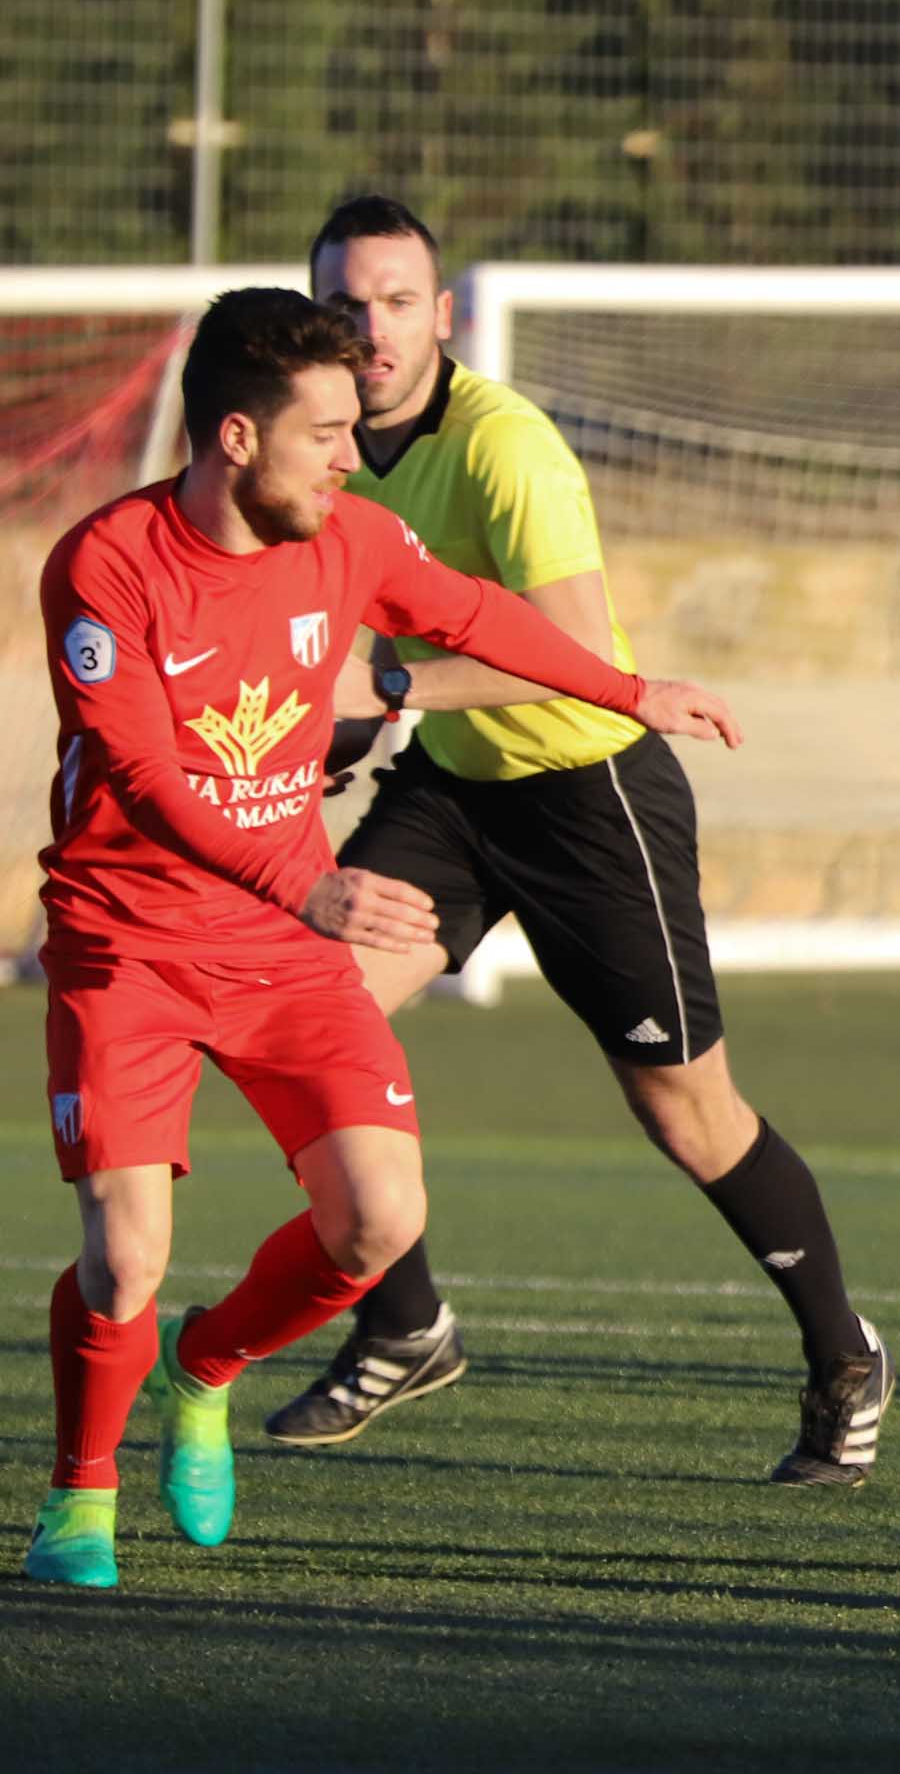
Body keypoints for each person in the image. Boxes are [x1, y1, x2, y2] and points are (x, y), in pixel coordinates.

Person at [25, 289, 741, 1587]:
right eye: (326, 434)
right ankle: (80, 1488)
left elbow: (480, 617)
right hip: (127, 942)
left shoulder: (347, 537)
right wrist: (308, 886)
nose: (353, 457)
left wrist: (639, 691)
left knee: (375, 1223)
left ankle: (209, 1364)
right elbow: (140, 777)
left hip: (281, 943)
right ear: (235, 438)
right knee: (123, 1254)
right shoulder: (104, 564)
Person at [268, 196, 891, 1487]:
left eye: (398, 302)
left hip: (588, 792)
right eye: (351, 304)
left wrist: (383, 693)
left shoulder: (508, 448)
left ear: (441, 317)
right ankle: (405, 1322)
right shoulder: (320, 455)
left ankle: (844, 1354)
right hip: (450, 794)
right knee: (308, 1011)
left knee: (686, 1113)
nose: (374, 330)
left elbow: (568, 657)